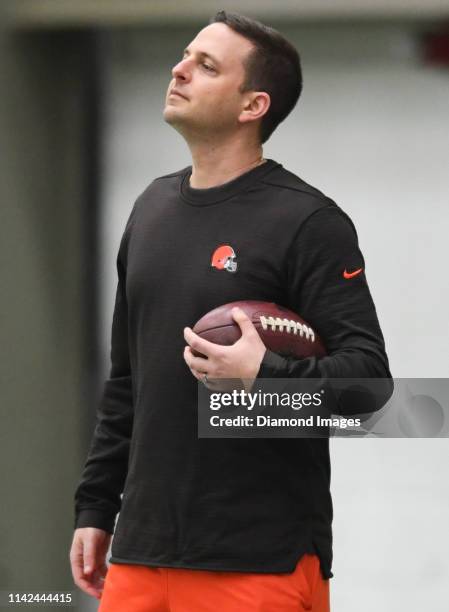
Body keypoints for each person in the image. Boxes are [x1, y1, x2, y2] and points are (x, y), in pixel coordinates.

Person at [70, 10, 393, 612]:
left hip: (257, 561)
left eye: (206, 65)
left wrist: (262, 376)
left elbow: (371, 393)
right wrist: (95, 506)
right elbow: (127, 383)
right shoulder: (151, 208)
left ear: (253, 106)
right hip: (140, 555)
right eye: (185, 55)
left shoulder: (308, 222)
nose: (179, 69)